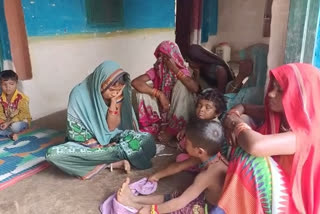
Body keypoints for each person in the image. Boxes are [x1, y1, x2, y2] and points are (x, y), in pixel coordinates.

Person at [219, 63, 320, 213]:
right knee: (244, 123)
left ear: (300, 96)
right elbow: (244, 108)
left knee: (251, 158)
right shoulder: (283, 115)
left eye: (280, 91)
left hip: (291, 202)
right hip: (278, 183)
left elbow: (255, 145)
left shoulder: (307, 132)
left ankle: (229, 205)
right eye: (273, 86)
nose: (271, 94)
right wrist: (236, 115)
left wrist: (233, 122)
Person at [46, 61, 156, 180]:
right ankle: (114, 160)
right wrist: (103, 148)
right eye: (112, 90)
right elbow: (77, 135)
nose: (114, 93)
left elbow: (111, 128)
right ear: (100, 83)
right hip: (86, 145)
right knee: (54, 155)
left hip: (113, 139)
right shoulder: (78, 95)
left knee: (147, 140)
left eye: (118, 91)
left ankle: (109, 158)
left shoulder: (117, 95)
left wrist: (115, 102)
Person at [117, 120, 228, 213]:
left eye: (187, 142)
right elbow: (179, 166)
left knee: (178, 204)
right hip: (207, 198)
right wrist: (157, 176)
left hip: (210, 209)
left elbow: (179, 203)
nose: (184, 143)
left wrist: (151, 211)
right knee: (178, 194)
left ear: (199, 151)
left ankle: (134, 205)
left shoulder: (206, 176)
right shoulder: (211, 157)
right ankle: (134, 199)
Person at [132, 41, 199, 144]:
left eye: (166, 57)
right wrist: (159, 94)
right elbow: (136, 82)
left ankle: (173, 130)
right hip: (164, 109)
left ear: (174, 57)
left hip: (182, 111)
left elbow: (195, 88)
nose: (162, 60)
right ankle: (153, 126)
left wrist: (175, 70)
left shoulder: (182, 71)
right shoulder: (158, 70)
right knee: (142, 93)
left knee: (182, 85)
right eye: (160, 56)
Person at [176, 88, 226, 167]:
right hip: (197, 149)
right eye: (199, 106)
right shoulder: (202, 118)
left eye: (207, 108)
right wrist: (185, 130)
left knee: (180, 158)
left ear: (217, 113)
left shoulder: (213, 128)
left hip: (204, 157)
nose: (201, 110)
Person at [0, 70, 31, 140]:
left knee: (15, 127)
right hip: (7, 123)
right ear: (0, 85)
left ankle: (7, 132)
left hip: (20, 121)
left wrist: (8, 122)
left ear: (16, 83)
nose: (8, 87)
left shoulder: (22, 98)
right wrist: (2, 122)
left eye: (11, 84)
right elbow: (1, 113)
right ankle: (10, 134)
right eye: (4, 85)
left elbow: (24, 114)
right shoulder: (1, 99)